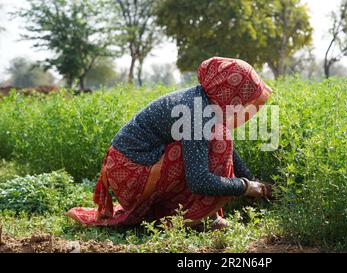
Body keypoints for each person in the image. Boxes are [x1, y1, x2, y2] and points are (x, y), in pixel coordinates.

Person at [67, 57, 273, 229]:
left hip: (131, 168)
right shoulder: (197, 113)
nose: (245, 107)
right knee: (219, 141)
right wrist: (247, 187)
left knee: (218, 137)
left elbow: (229, 155)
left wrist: (256, 182)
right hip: (130, 173)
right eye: (244, 99)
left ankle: (196, 215)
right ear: (230, 94)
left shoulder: (203, 101)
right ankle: (199, 218)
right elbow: (199, 180)